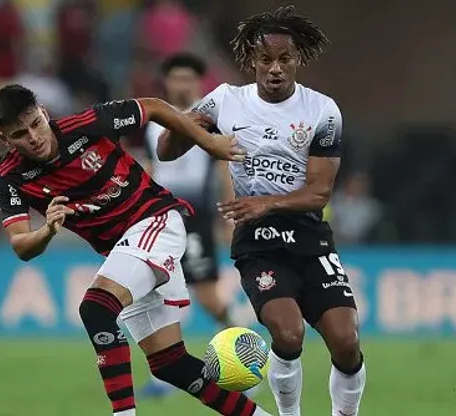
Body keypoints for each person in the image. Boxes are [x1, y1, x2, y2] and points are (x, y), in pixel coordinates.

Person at [0, 84, 272, 416]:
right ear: (5, 140)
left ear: (44, 114)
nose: (33, 137)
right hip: (126, 250)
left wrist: (208, 142)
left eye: (36, 123)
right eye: (20, 134)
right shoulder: (9, 177)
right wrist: (46, 231)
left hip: (156, 220)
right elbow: (22, 246)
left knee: (96, 308)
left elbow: (152, 106)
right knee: (170, 364)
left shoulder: (86, 126)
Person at [156, 6, 366, 416]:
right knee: (288, 335)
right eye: (265, 60)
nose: (274, 69)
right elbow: (165, 150)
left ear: (298, 60)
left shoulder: (322, 111)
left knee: (346, 340)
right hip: (258, 240)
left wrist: (265, 201)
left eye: (284, 59)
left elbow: (319, 193)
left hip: (309, 235)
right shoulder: (224, 102)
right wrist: (197, 129)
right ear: (251, 60)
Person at [139, 52, 238, 398]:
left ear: (198, 82)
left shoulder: (209, 119)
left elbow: (224, 165)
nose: (181, 84)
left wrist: (229, 213)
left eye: (188, 78)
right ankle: (161, 377)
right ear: (166, 82)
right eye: (175, 78)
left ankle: (243, 349)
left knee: (209, 298)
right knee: (158, 296)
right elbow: (151, 168)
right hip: (159, 217)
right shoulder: (152, 121)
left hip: (195, 216)